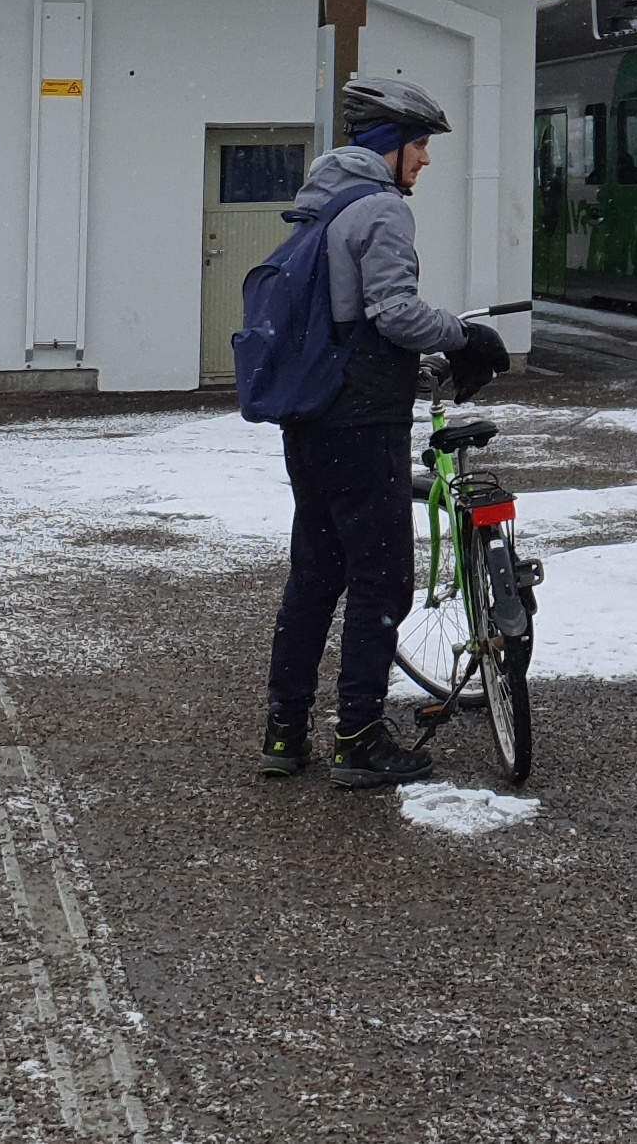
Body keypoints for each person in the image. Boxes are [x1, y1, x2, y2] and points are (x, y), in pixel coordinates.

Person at [259, 75, 509, 790]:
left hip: (308, 418)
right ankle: (360, 736)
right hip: (361, 423)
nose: (426, 160)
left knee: (316, 575)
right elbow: (394, 311)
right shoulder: (380, 210)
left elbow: (350, 319)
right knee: (382, 580)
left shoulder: (319, 206)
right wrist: (464, 336)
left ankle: (284, 729)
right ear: (389, 145)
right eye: (422, 145)